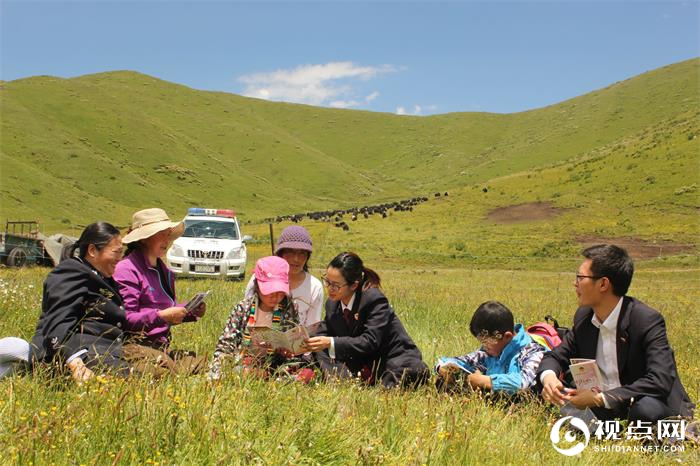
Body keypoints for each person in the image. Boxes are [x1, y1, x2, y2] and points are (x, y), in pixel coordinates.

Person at [538, 244, 695, 422]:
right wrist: (549, 378)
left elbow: (659, 380)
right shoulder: (585, 317)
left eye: (580, 277)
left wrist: (601, 399)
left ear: (603, 284)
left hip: (641, 399)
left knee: (645, 411)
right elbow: (556, 356)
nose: (575, 283)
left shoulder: (645, 320)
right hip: (601, 401)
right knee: (545, 387)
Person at [4, 223, 130, 383]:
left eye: (122, 252)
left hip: (106, 351)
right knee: (124, 381)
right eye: (116, 252)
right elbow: (59, 320)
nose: (120, 259)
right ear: (92, 251)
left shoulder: (104, 278)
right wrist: (75, 362)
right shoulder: (71, 271)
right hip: (74, 352)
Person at [304, 252, 429, 388]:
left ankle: (365, 381)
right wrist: (300, 340)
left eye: (336, 285)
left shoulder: (373, 300)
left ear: (353, 285)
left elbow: (370, 341)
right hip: (361, 360)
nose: (330, 289)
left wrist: (330, 342)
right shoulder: (332, 304)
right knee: (319, 344)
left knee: (406, 372)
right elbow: (326, 329)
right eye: (327, 281)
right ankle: (342, 382)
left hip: (390, 358)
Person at [113, 208, 207, 376]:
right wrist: (161, 316)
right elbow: (126, 319)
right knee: (163, 373)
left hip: (160, 348)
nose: (167, 240)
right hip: (134, 346)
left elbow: (165, 309)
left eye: (168, 234)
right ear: (144, 238)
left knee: (206, 365)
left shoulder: (165, 272)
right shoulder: (126, 269)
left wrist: (190, 311)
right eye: (161, 234)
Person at [208, 256, 312, 382]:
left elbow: (294, 341)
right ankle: (265, 378)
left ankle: (270, 378)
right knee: (245, 369)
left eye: (279, 292)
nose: (275, 297)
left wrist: (289, 351)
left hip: (277, 363)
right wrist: (221, 366)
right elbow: (226, 343)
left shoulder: (289, 308)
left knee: (307, 373)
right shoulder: (243, 308)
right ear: (257, 285)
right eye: (269, 291)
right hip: (246, 360)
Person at [435, 301, 547, 395]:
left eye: (486, 343)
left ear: (507, 336)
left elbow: (524, 382)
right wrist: (442, 367)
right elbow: (462, 361)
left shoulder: (533, 352)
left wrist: (484, 381)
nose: (484, 347)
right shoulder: (489, 351)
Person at [244, 225, 323, 327]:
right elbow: (246, 312)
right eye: (290, 252)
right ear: (280, 254)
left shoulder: (315, 287)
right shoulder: (260, 278)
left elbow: (312, 327)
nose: (296, 259)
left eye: (302, 253)